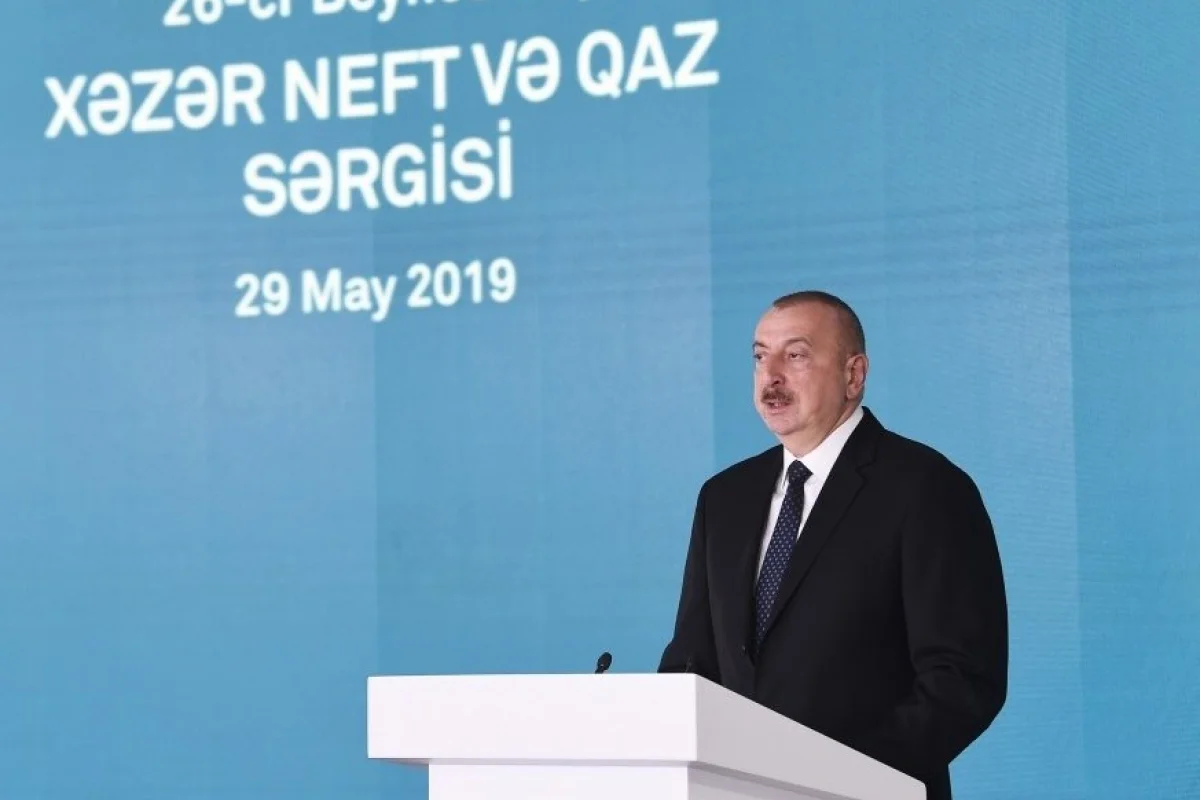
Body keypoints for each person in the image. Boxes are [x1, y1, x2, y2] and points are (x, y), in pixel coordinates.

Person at [658, 291, 1008, 800]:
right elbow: (692, 662)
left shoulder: (926, 487)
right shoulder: (724, 498)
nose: (771, 376)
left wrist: (837, 776)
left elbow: (962, 680)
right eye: (760, 357)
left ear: (853, 374)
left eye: (795, 355)